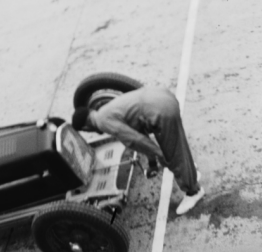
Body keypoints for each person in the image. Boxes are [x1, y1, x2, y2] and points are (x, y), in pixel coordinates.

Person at [71, 85, 205, 215]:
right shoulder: (105, 110)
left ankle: (193, 192)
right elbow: (140, 131)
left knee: (171, 156)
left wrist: (159, 154)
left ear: (86, 126)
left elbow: (135, 139)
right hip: (161, 96)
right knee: (177, 144)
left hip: (161, 111)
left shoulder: (102, 122)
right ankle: (190, 171)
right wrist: (152, 163)